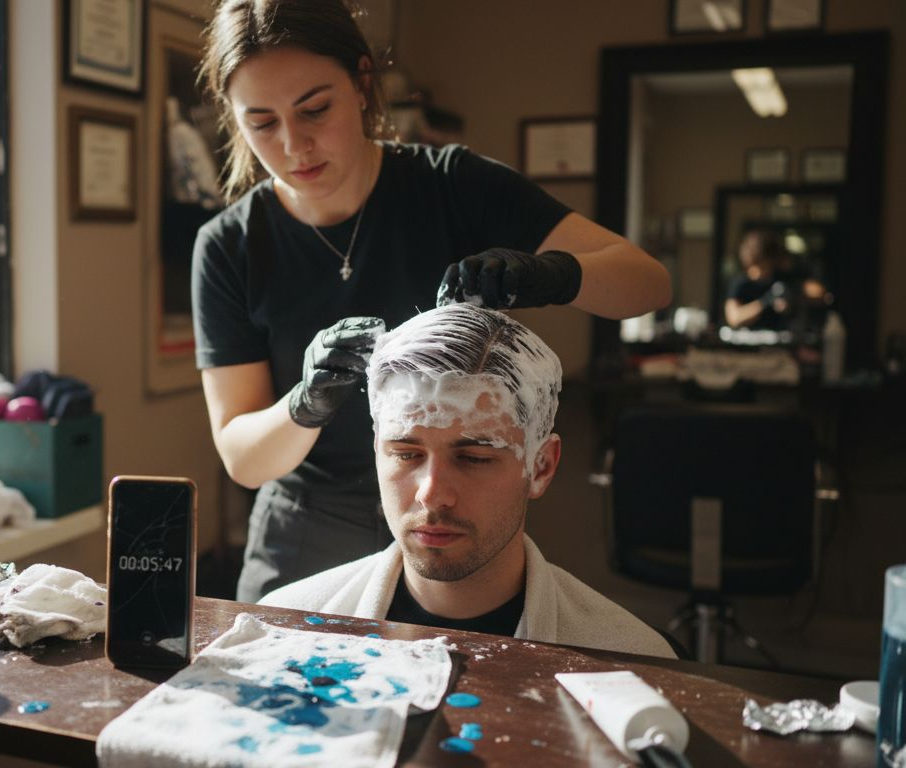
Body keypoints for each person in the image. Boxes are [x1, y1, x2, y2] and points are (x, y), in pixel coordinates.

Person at [193, 0, 672, 602]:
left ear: (363, 83)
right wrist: (305, 402)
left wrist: (549, 274)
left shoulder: (454, 186)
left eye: (316, 109)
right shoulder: (228, 246)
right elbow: (243, 458)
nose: (294, 145)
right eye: (262, 123)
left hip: (451, 514)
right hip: (308, 530)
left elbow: (647, 282)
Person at [260, 304, 676, 658]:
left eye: (474, 458)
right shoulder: (288, 634)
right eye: (406, 454)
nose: (431, 493)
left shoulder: (630, 661)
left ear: (542, 466)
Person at [724, 229, 829, 331]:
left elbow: (819, 293)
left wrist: (794, 295)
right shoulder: (740, 283)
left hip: (781, 342)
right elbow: (734, 318)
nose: (763, 271)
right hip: (749, 343)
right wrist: (766, 301)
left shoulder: (781, 278)